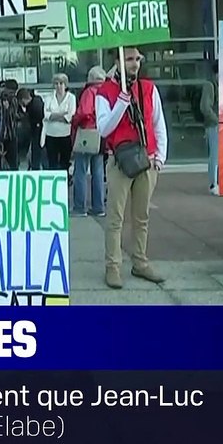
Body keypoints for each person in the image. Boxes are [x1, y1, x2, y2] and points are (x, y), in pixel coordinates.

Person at [97, 47, 168, 289]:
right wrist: (121, 103)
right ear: (117, 62)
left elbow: (158, 123)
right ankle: (113, 266)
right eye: (129, 59)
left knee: (142, 217)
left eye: (137, 59)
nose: (135, 63)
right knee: (115, 219)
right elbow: (104, 129)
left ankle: (140, 262)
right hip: (120, 162)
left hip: (147, 161)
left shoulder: (148, 88)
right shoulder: (104, 92)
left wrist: (160, 158)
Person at [70, 66, 109, 216]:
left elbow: (84, 112)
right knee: (98, 171)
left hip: (87, 132)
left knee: (80, 171)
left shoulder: (89, 92)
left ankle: (80, 207)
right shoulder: (106, 92)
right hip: (102, 132)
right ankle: (98, 207)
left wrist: (75, 121)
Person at [41, 74, 75, 171]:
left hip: (65, 134)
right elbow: (46, 115)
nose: (59, 86)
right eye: (56, 84)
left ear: (65, 85)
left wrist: (54, 115)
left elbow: (70, 116)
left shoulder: (71, 98)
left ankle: (65, 182)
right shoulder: (48, 98)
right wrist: (62, 114)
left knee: (65, 162)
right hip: (51, 134)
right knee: (52, 163)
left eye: (61, 83)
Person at [18, 87, 45, 170]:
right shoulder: (38, 100)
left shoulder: (32, 106)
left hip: (37, 132)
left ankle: (35, 168)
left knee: (36, 152)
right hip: (42, 131)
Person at [203, 61, 220, 194]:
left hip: (221, 125)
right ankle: (213, 184)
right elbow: (205, 107)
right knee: (215, 155)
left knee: (219, 156)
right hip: (214, 125)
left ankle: (219, 182)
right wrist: (217, 120)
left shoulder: (221, 85)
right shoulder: (210, 85)